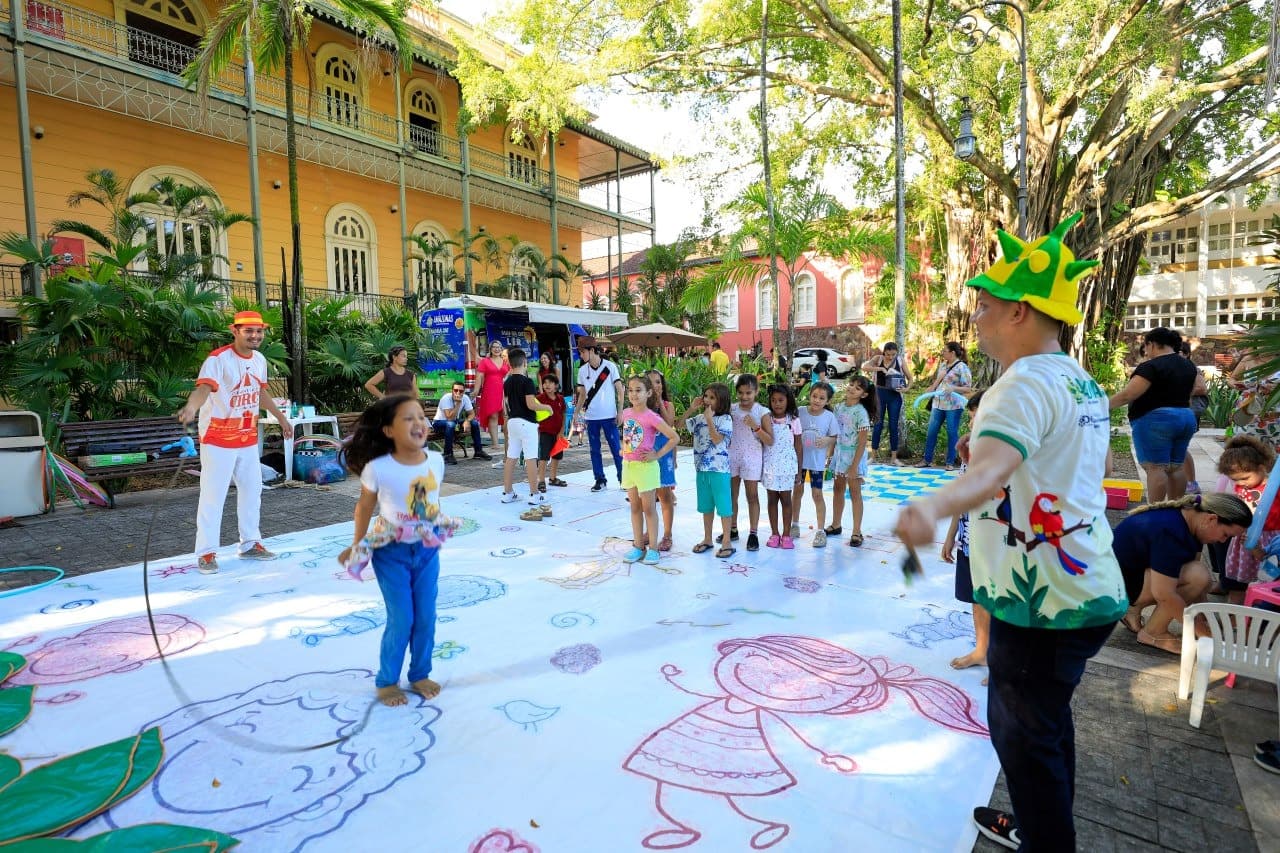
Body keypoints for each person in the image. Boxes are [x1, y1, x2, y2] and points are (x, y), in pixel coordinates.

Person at [893, 214, 1129, 851]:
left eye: (986, 305)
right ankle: (1042, 825)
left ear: (1021, 310)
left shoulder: (1019, 385)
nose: (977, 318)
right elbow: (1082, 471)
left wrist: (929, 508)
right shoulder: (1079, 381)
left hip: (1042, 602)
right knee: (1045, 729)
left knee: (1024, 741)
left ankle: (1049, 841)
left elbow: (991, 471)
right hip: (1085, 586)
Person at [338, 394, 458, 707]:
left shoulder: (436, 461)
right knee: (402, 618)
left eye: (421, 416)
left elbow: (432, 501)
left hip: (426, 551)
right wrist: (357, 545)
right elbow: (363, 508)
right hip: (390, 553)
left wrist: (438, 524)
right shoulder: (378, 468)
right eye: (408, 418)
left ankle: (419, 674)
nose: (419, 422)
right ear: (389, 430)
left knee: (427, 617)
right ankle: (387, 681)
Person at [176, 310, 292, 575]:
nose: (255, 336)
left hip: (246, 437)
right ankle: (206, 552)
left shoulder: (260, 359)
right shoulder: (218, 359)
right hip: (217, 438)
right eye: (249, 331)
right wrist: (192, 408)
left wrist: (281, 418)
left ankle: (250, 543)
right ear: (235, 331)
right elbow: (203, 389)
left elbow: (260, 393)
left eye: (259, 331)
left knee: (253, 490)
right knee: (213, 496)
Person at [1114, 493, 1252, 652]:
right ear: (1211, 519)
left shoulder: (1190, 519)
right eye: (1225, 535)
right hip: (1114, 590)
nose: (1222, 541)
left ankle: (1133, 609)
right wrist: (1205, 635)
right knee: (1198, 576)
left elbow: (1196, 587)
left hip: (1125, 579)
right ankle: (1153, 632)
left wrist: (1204, 619)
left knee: (1201, 578)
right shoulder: (1172, 532)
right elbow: (1164, 594)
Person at [1109, 326, 1198, 502]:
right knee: (1176, 467)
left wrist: (1101, 405)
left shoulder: (1151, 366)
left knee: (1156, 468)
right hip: (1186, 417)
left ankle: (1154, 510)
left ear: (1152, 344)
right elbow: (1190, 394)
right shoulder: (1188, 366)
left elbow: (1129, 394)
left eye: (1146, 347)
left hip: (1156, 420)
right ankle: (1174, 509)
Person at [941, 392, 989, 677]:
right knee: (976, 596)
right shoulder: (970, 449)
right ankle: (982, 650)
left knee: (997, 598)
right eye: (971, 416)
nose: (972, 421)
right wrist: (951, 536)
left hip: (996, 539)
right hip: (969, 536)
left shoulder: (1003, 451)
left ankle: (1001, 658)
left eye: (978, 415)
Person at [620, 375, 680, 566]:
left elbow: (674, 437)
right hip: (629, 466)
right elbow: (629, 435)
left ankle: (653, 548)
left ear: (648, 393)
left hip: (646, 468)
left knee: (649, 508)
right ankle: (638, 546)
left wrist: (657, 454)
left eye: (638, 390)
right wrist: (625, 448)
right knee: (635, 507)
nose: (634, 394)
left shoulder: (651, 416)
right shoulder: (627, 413)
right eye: (630, 390)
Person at [1216, 436, 1280, 605]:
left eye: (1245, 478)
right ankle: (1235, 610)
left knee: (1264, 579)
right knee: (1238, 580)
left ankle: (1256, 609)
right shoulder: (1242, 486)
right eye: (1235, 479)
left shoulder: (1274, 487)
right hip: (1244, 540)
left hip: (1268, 539)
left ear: (1262, 467)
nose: (1240, 483)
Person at [499, 348, 552, 521]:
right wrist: (547, 407)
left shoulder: (506, 382)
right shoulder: (527, 381)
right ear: (525, 363)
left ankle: (507, 492)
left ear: (509, 363)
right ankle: (534, 493)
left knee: (511, 457)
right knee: (530, 458)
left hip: (512, 421)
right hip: (527, 423)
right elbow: (531, 404)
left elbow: (506, 404)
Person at [685, 383, 735, 558]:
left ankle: (727, 540)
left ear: (721, 401)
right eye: (706, 396)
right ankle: (707, 538)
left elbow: (717, 439)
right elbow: (677, 424)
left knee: (724, 506)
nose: (707, 400)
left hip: (719, 470)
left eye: (712, 397)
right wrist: (691, 409)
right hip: (701, 469)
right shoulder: (699, 417)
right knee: (706, 506)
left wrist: (709, 420)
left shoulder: (726, 419)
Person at [574, 335, 625, 492]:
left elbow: (620, 390)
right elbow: (582, 394)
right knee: (594, 450)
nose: (581, 355)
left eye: (582, 352)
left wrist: (620, 412)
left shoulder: (610, 367)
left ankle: (624, 479)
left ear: (591, 350)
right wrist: (576, 413)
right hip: (591, 417)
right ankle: (600, 479)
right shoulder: (582, 371)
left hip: (609, 416)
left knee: (616, 449)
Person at [728, 374, 773, 551]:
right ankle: (732, 528)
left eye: (749, 393)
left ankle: (753, 533)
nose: (744, 397)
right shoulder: (731, 409)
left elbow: (769, 440)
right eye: (741, 393)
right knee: (732, 495)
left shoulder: (762, 412)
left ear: (756, 391)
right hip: (732, 457)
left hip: (752, 459)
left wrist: (756, 426)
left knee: (752, 496)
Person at [831, 376, 877, 547]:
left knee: (855, 492)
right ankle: (836, 524)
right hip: (839, 454)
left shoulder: (861, 413)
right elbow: (835, 433)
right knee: (838, 489)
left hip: (854, 457)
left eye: (857, 388)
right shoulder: (838, 407)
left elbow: (862, 442)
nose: (851, 388)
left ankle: (857, 531)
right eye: (851, 384)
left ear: (863, 395)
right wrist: (830, 456)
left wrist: (854, 466)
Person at [792, 382, 839, 547]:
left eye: (821, 398)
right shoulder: (800, 412)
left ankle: (820, 531)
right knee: (797, 492)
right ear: (809, 395)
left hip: (816, 464)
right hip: (799, 463)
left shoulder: (829, 417)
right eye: (814, 396)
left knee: (817, 494)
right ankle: (794, 525)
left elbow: (834, 437)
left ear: (827, 401)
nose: (817, 400)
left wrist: (827, 440)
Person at [919, 341, 973, 469]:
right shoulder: (943, 365)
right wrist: (931, 388)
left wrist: (954, 388)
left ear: (952, 353)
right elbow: (939, 382)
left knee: (951, 432)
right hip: (938, 403)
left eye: (944, 351)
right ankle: (927, 460)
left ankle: (950, 463)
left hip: (953, 406)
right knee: (931, 432)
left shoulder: (962, 367)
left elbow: (968, 388)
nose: (942, 353)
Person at [762, 384, 803, 549]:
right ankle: (774, 533)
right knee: (772, 499)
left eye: (780, 400)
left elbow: (799, 446)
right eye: (773, 400)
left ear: (788, 401)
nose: (777, 404)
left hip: (787, 468)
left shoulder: (793, 420)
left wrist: (799, 471)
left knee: (786, 500)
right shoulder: (766, 419)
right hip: (770, 467)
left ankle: (786, 534)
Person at [862, 341, 910, 466]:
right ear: (884, 352)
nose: (890, 357)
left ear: (896, 353)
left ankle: (894, 458)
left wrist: (906, 389)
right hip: (879, 395)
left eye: (893, 354)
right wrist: (881, 368)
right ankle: (873, 457)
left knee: (893, 426)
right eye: (888, 354)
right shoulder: (878, 359)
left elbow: (911, 379)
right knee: (878, 425)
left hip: (894, 396)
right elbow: (864, 367)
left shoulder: (900, 361)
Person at [647, 369, 678, 551]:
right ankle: (649, 532)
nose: (655, 386)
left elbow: (669, 424)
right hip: (646, 457)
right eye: (650, 383)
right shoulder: (641, 407)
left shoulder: (668, 404)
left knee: (665, 496)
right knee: (647, 497)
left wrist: (659, 402)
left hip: (664, 454)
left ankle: (667, 534)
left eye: (658, 382)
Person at [431, 382, 492, 464]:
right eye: (455, 390)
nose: (458, 393)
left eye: (461, 391)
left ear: (463, 392)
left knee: (474, 423)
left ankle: (478, 451)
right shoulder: (446, 398)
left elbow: (472, 414)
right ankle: (447, 454)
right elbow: (449, 418)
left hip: (453, 422)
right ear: (452, 390)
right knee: (451, 424)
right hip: (438, 423)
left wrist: (467, 421)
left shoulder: (465, 398)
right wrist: (458, 403)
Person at [1180, 342, 1210, 493]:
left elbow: (1201, 388)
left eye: (1178, 351)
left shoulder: (1191, 368)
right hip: (1178, 412)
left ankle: (1191, 483)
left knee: (1181, 448)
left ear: (1186, 354)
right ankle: (1182, 482)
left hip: (1188, 412)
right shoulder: (1174, 368)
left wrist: (1178, 391)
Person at [473, 340, 509, 454]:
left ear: (501, 349)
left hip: (504, 391)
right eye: (494, 347)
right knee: (493, 415)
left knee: (506, 416)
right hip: (490, 391)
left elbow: (510, 374)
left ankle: (508, 440)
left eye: (499, 347)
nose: (496, 349)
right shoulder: (485, 361)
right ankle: (495, 443)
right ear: (490, 349)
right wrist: (476, 390)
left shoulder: (505, 362)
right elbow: (479, 376)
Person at [536, 373, 568, 491]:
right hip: (545, 432)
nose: (547, 385)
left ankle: (553, 478)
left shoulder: (560, 398)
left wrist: (562, 431)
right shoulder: (539, 399)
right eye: (545, 383)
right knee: (543, 457)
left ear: (556, 386)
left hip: (558, 433)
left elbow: (563, 414)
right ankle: (541, 480)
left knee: (557, 456)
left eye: (550, 382)